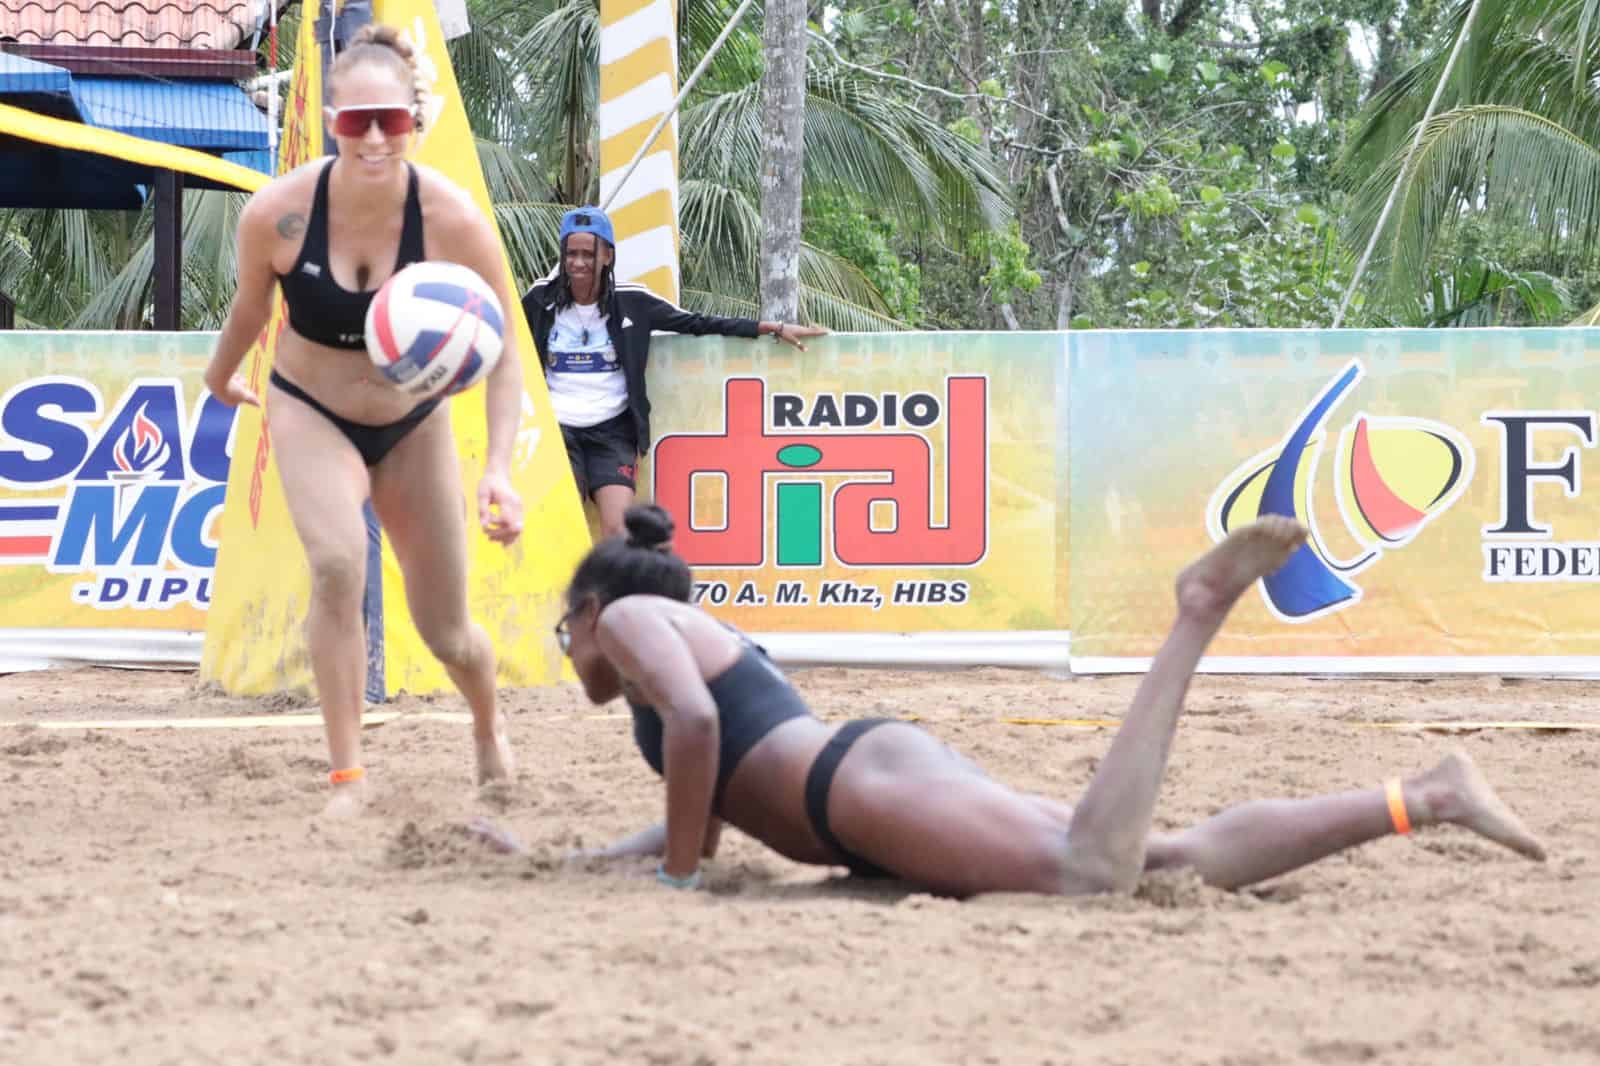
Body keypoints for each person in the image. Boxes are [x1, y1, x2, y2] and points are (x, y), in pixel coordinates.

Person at [554, 505, 1546, 895]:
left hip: (850, 788)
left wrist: (676, 883)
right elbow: (708, 804)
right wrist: (594, 855)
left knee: (1090, 869)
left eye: (566, 634)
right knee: (1161, 860)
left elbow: (696, 730)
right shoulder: (665, 654)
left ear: (590, 606)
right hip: (855, 794)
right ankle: (1427, 796)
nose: (572, 655)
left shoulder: (636, 620)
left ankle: (1196, 609)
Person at [204, 24, 521, 814]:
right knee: (340, 565)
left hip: (413, 425)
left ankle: (487, 726)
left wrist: (499, 472)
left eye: (392, 119)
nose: (375, 136)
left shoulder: (449, 219)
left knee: (449, 633)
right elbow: (250, 312)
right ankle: (348, 774)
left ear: (417, 116)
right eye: (356, 120)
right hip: (310, 408)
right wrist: (217, 378)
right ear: (330, 121)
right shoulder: (277, 216)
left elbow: (506, 345)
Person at [520, 207, 828, 539]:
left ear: (607, 255)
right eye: (570, 253)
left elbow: (697, 322)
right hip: (557, 431)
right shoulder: (540, 299)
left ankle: (615, 592)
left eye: (587, 253)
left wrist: (770, 327)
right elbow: (504, 331)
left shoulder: (634, 301)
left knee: (618, 531)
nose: (577, 263)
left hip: (612, 433)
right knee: (558, 523)